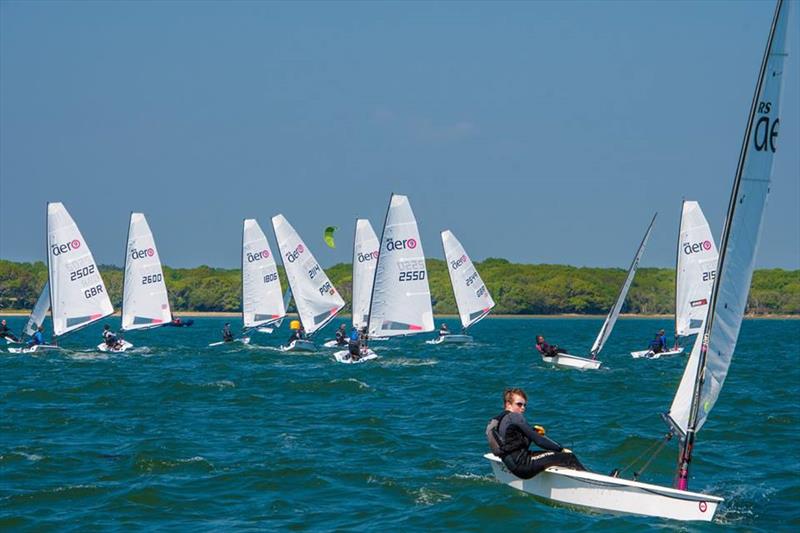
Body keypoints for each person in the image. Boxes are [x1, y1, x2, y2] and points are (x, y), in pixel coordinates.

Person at [488, 388, 586, 479]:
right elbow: (539, 441)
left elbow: (513, 442)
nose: (523, 408)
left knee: (553, 455)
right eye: (519, 404)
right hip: (524, 466)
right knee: (569, 457)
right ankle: (588, 481)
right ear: (508, 404)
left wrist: (533, 432)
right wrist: (561, 449)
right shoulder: (515, 417)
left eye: (524, 405)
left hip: (511, 465)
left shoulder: (498, 420)